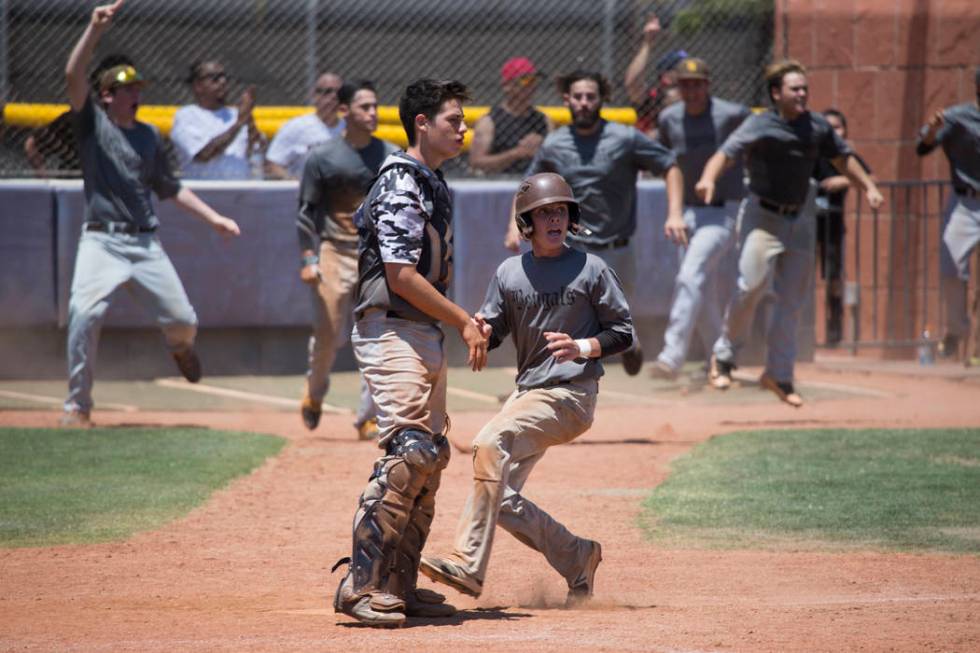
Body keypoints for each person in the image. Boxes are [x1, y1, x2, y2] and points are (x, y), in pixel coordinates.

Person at [419, 172, 632, 606]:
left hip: (572, 395)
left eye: (560, 211)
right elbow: (496, 329)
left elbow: (623, 332)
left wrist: (583, 346)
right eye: (543, 213)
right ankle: (578, 557)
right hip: (528, 395)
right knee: (497, 494)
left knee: (487, 444)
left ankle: (466, 563)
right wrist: (480, 330)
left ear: (571, 218)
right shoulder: (510, 272)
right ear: (527, 223)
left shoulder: (591, 268)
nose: (554, 219)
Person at [331, 78, 489, 627]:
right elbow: (399, 276)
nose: (464, 128)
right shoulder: (402, 181)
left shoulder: (430, 181)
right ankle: (360, 585)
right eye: (454, 120)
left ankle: (399, 582)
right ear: (422, 123)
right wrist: (464, 319)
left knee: (430, 458)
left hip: (419, 331)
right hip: (391, 328)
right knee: (410, 453)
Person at [61, 0, 240, 427]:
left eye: (138, 88)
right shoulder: (93, 125)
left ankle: (180, 348)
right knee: (85, 314)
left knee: (182, 321)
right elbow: (72, 75)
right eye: (128, 89)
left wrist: (213, 218)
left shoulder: (147, 136)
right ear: (107, 96)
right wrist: (95, 30)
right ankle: (77, 406)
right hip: (101, 239)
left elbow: (170, 187)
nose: (136, 95)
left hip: (143, 241)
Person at [697, 59, 883, 407]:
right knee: (750, 286)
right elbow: (726, 154)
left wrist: (868, 186)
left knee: (792, 302)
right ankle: (724, 357)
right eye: (794, 88)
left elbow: (844, 159)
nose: (802, 93)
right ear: (776, 93)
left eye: (804, 88)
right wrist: (708, 178)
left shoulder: (816, 126)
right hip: (762, 215)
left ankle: (779, 375)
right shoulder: (760, 124)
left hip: (800, 218)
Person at [506, 69, 684, 377]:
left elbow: (670, 166)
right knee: (562, 313)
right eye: (578, 97)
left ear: (602, 100)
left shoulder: (625, 138)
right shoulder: (555, 144)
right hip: (573, 246)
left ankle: (628, 343)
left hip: (617, 246)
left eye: (591, 97)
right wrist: (513, 226)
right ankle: (551, 379)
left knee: (613, 318)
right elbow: (528, 186)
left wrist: (675, 212)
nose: (584, 103)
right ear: (567, 100)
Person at [296, 79, 396, 439]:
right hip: (333, 249)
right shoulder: (322, 157)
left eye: (375, 106)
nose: (373, 113)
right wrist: (308, 257)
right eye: (364, 107)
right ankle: (315, 392)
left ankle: (367, 416)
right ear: (344, 111)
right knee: (328, 333)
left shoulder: (390, 154)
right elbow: (306, 212)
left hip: (375, 253)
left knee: (376, 332)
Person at [647, 57, 751, 380]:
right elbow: (665, 161)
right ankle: (716, 358)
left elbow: (754, 144)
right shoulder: (669, 118)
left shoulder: (732, 114)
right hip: (688, 211)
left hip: (725, 209)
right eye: (684, 84)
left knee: (690, 276)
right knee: (701, 289)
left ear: (708, 85)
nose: (690, 91)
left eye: (697, 84)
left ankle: (671, 355)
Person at [915, 68, 980, 360]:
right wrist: (931, 130)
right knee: (951, 263)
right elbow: (922, 147)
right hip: (965, 201)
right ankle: (956, 329)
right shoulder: (957, 117)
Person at [812, 108, 873, 345]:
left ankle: (834, 325)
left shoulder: (846, 156)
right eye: (828, 126)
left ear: (845, 130)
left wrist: (845, 179)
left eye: (837, 127)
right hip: (807, 224)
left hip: (833, 225)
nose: (833, 132)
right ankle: (800, 328)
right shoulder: (812, 151)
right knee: (801, 275)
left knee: (834, 277)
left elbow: (871, 179)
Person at [23, 54, 134, 178]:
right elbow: (32, 144)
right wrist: (46, 184)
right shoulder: (81, 118)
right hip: (77, 189)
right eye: (127, 89)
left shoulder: (134, 126)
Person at [170, 59, 265, 179]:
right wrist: (239, 123)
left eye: (224, 77)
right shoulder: (187, 116)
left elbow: (255, 151)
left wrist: (249, 117)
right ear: (198, 86)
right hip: (206, 193)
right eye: (215, 78)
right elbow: (204, 155)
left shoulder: (236, 114)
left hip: (239, 192)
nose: (223, 81)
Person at [468, 57, 549, 176]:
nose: (532, 86)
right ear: (507, 85)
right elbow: (476, 162)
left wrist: (544, 147)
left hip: (536, 185)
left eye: (534, 80)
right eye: (525, 80)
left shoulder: (543, 120)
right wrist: (516, 153)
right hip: (502, 186)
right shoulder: (490, 121)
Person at [265, 72, 345, 180]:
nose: (334, 96)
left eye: (339, 92)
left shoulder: (349, 128)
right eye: (327, 91)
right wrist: (293, 181)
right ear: (315, 95)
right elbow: (273, 164)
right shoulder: (297, 126)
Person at [624, 14, 685, 138]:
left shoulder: (693, 98)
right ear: (666, 76)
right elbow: (633, 82)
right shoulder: (652, 99)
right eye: (680, 68)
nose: (686, 72)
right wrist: (647, 43)